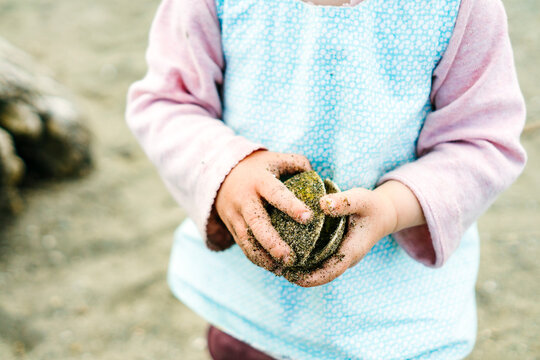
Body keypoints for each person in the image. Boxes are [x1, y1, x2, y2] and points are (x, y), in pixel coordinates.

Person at [126, 0, 527, 358]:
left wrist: (391, 207)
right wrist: (229, 169)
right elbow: (166, 102)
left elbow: (483, 142)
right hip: (250, 309)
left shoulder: (458, 8)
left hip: (394, 323)